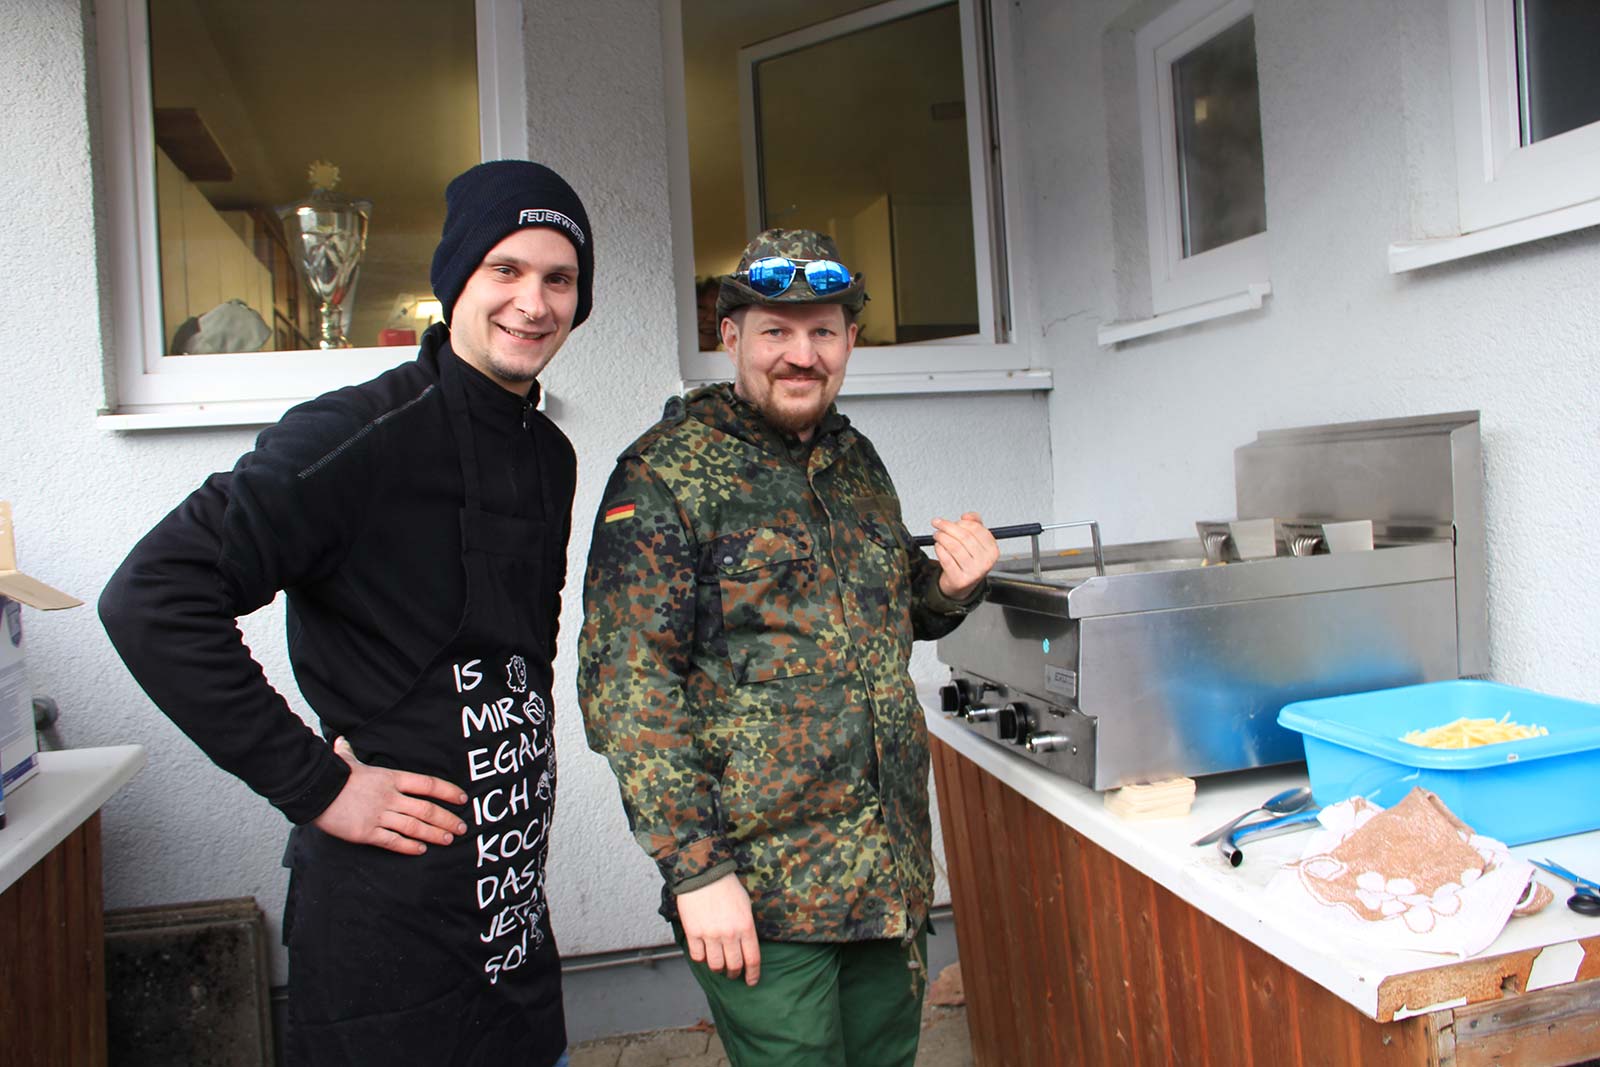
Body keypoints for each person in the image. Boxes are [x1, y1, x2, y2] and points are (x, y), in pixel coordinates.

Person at [99, 160, 593, 1067]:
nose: (533, 302)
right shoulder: (360, 435)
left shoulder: (548, 455)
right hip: (386, 945)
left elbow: (517, 657)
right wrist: (318, 786)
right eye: (506, 269)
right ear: (457, 278)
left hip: (510, 921)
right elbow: (152, 595)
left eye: (558, 279)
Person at [577, 229, 999, 1067]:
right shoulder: (665, 473)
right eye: (776, 330)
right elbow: (627, 687)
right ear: (731, 336)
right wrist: (697, 872)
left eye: (823, 332)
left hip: (886, 875)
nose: (802, 354)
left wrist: (952, 586)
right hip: (764, 894)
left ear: (850, 341)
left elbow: (886, 609)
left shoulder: (855, 461)